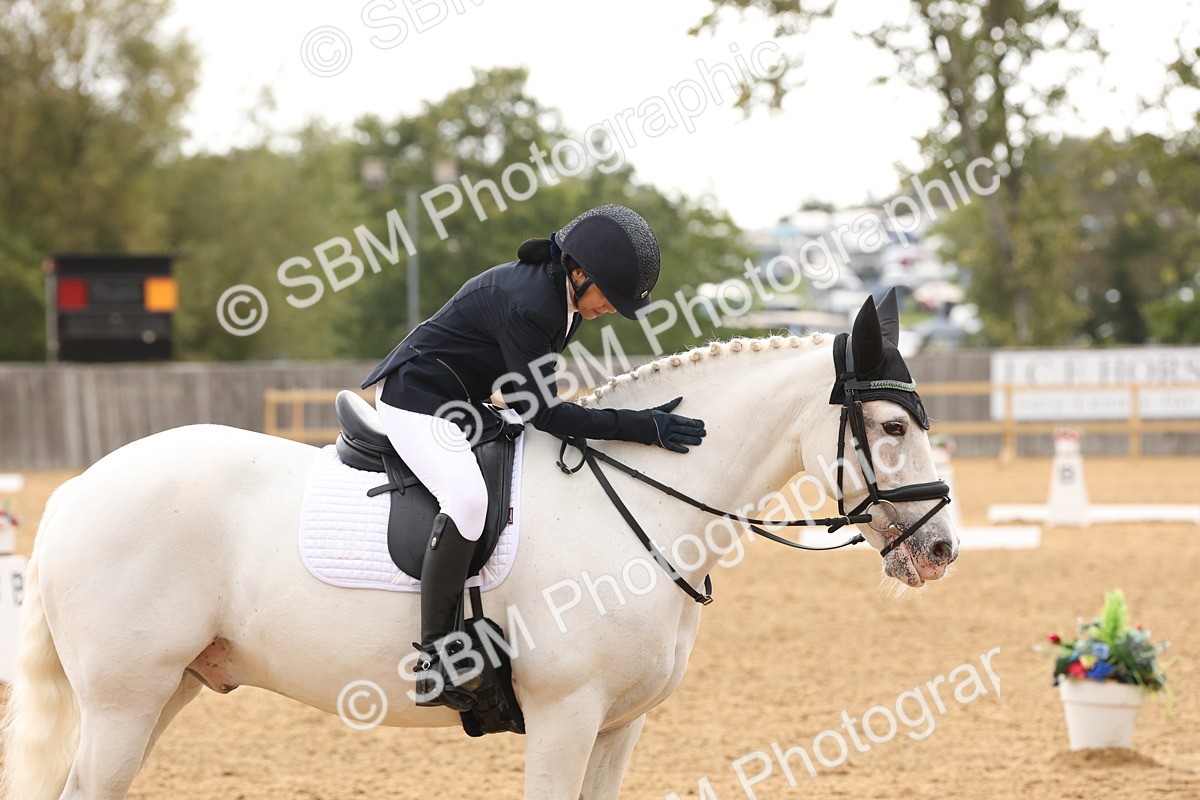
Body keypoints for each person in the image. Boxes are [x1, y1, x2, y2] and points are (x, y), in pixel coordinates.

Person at [361, 204, 707, 711]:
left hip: (464, 401)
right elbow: (546, 413)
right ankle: (436, 656)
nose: (610, 308)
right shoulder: (531, 303)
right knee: (468, 500)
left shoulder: (563, 301)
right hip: (416, 399)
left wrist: (636, 421)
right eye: (609, 296)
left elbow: (537, 400)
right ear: (580, 272)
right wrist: (642, 426)